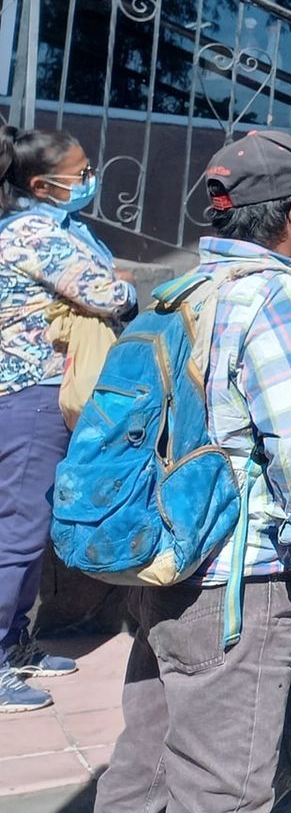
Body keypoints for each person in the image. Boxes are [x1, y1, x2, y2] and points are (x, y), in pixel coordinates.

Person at [92, 130, 291, 813]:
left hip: (166, 563)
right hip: (241, 582)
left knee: (142, 779)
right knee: (220, 811)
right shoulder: (276, 291)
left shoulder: (185, 285)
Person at [0, 126, 137, 714]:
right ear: (39, 184)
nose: (89, 180)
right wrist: (123, 290)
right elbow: (109, 295)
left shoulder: (52, 226)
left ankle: (15, 644)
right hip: (32, 392)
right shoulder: (32, 232)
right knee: (19, 531)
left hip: (42, 391)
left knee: (27, 527)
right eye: (81, 173)